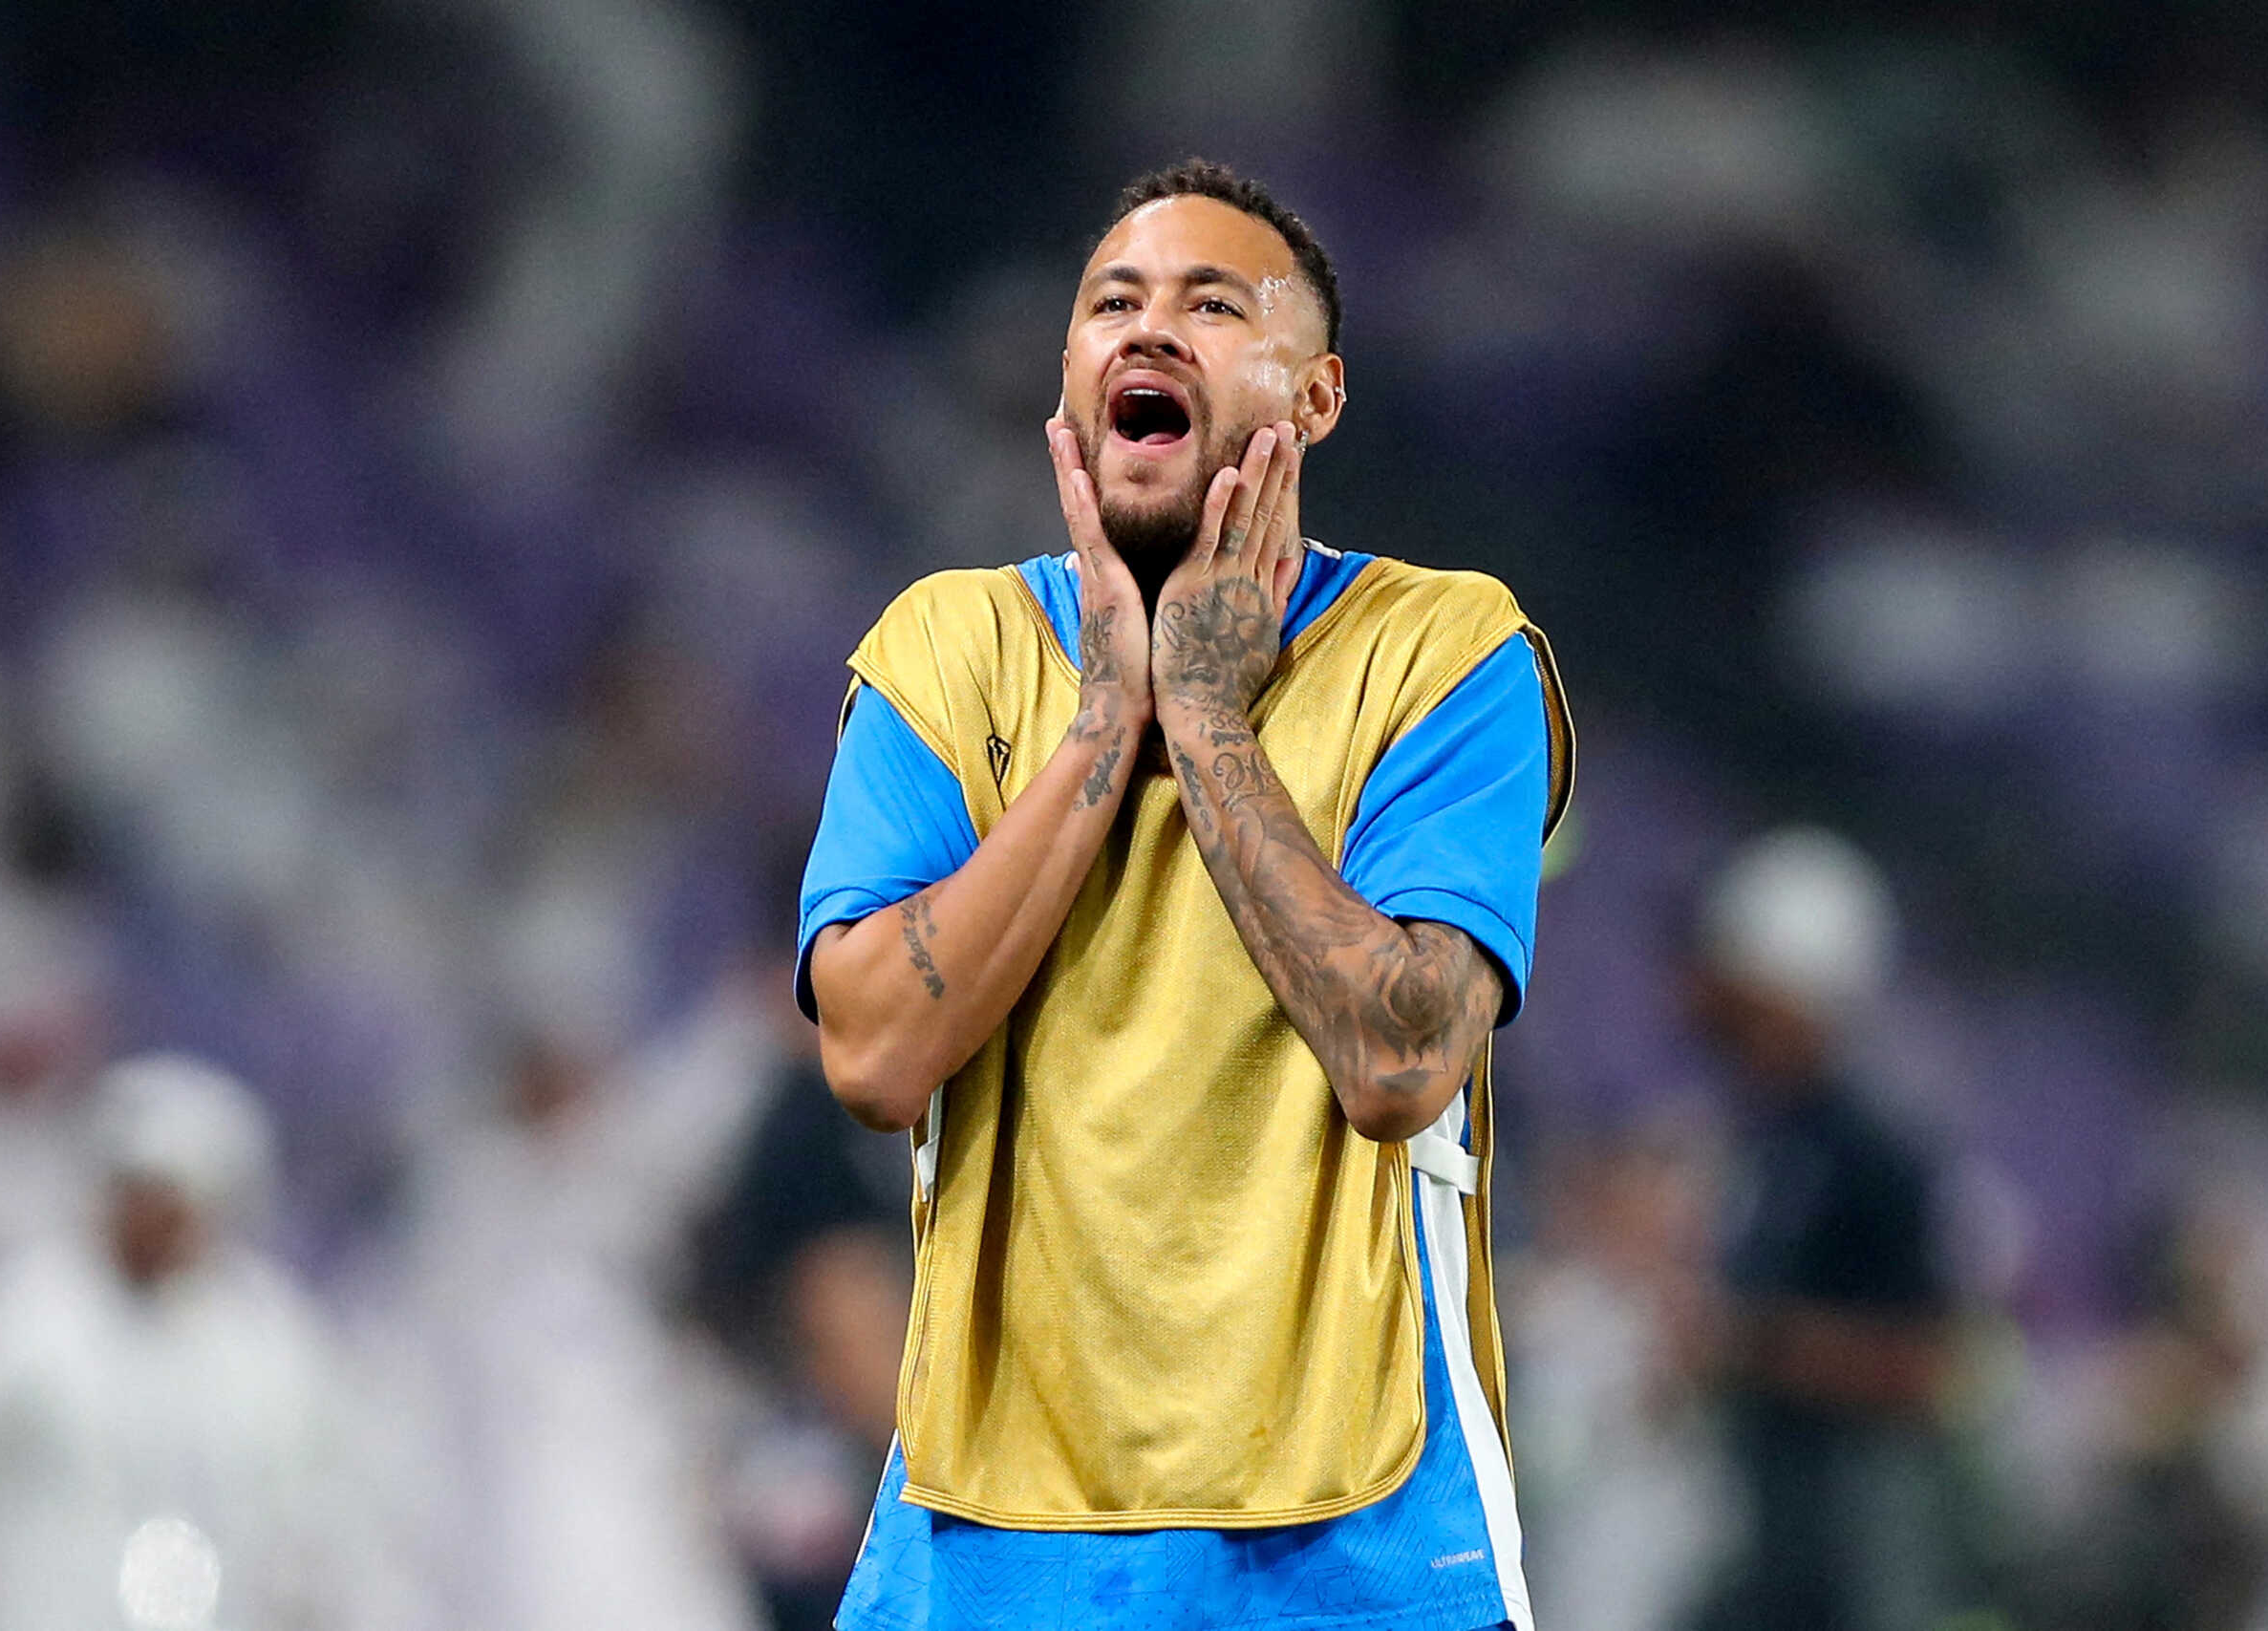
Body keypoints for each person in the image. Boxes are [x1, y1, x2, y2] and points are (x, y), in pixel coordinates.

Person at [797, 160, 1573, 1631]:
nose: (1149, 332)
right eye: (1113, 304)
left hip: (1355, 1546)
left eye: (1213, 306)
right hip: (985, 1543)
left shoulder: (1447, 652)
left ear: (1317, 398)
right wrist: (1105, 719)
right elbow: (875, 1051)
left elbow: (1403, 1056)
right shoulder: (944, 652)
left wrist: (1208, 716)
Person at [0, 1053, 381, 1631]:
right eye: (132, 1197)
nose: (149, 1223)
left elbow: (318, 1507)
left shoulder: (265, 1332)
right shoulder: (30, 1310)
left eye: (169, 1203)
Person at [1683, 828, 1960, 1631]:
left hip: (1842, 1523)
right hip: (1757, 1503)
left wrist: (1751, 1344)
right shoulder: (1764, 1130)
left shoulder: (1875, 1156)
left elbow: (1926, 1366)